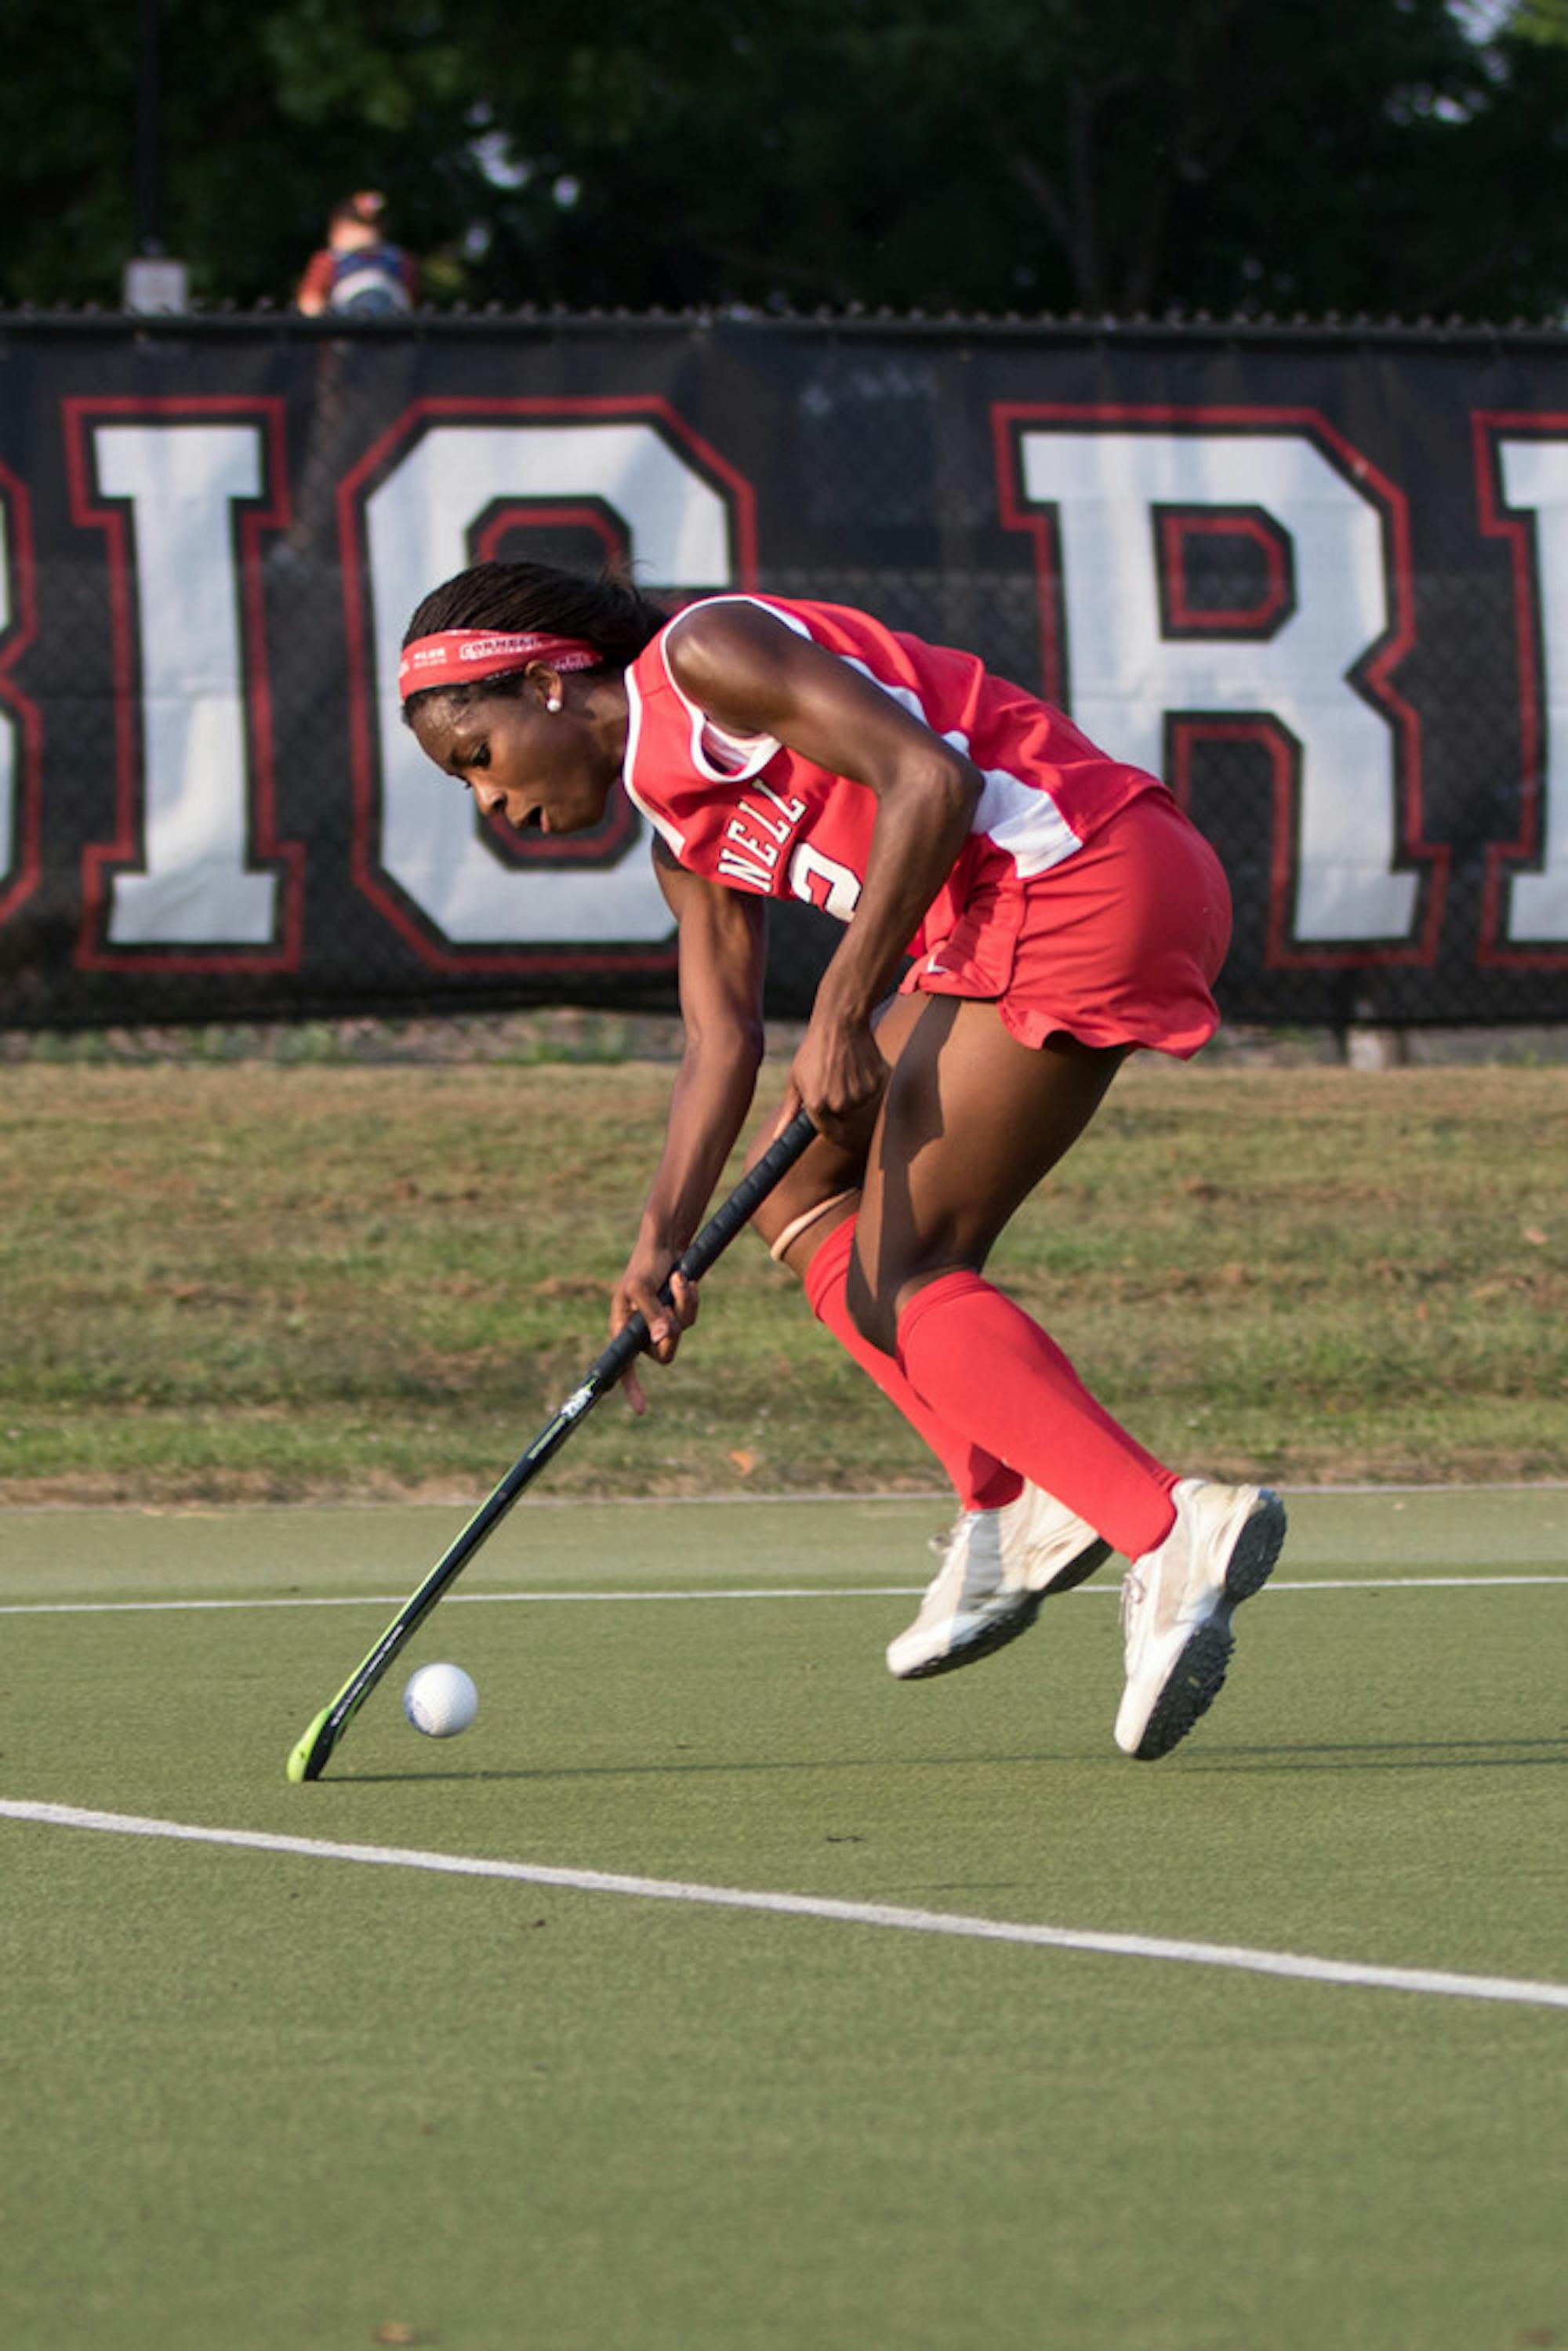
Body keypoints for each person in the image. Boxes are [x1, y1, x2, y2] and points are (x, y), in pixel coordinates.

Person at [397, 561, 1287, 1761]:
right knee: (802, 1188)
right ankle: (1010, 1499)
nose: (491, 802)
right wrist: (658, 1244)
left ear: (551, 684)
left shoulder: (707, 655)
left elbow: (932, 779)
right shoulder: (680, 830)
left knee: (905, 1272)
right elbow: (719, 1040)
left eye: (479, 757)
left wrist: (840, 1007)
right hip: (1015, 910)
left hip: (1077, 872)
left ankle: (1170, 1527)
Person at [294, 190, 417, 318]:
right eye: (359, 224)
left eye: (373, 225)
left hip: (391, 325)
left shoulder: (399, 259)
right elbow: (311, 301)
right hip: (343, 324)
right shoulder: (330, 260)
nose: (368, 233)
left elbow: (411, 301)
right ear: (341, 225)